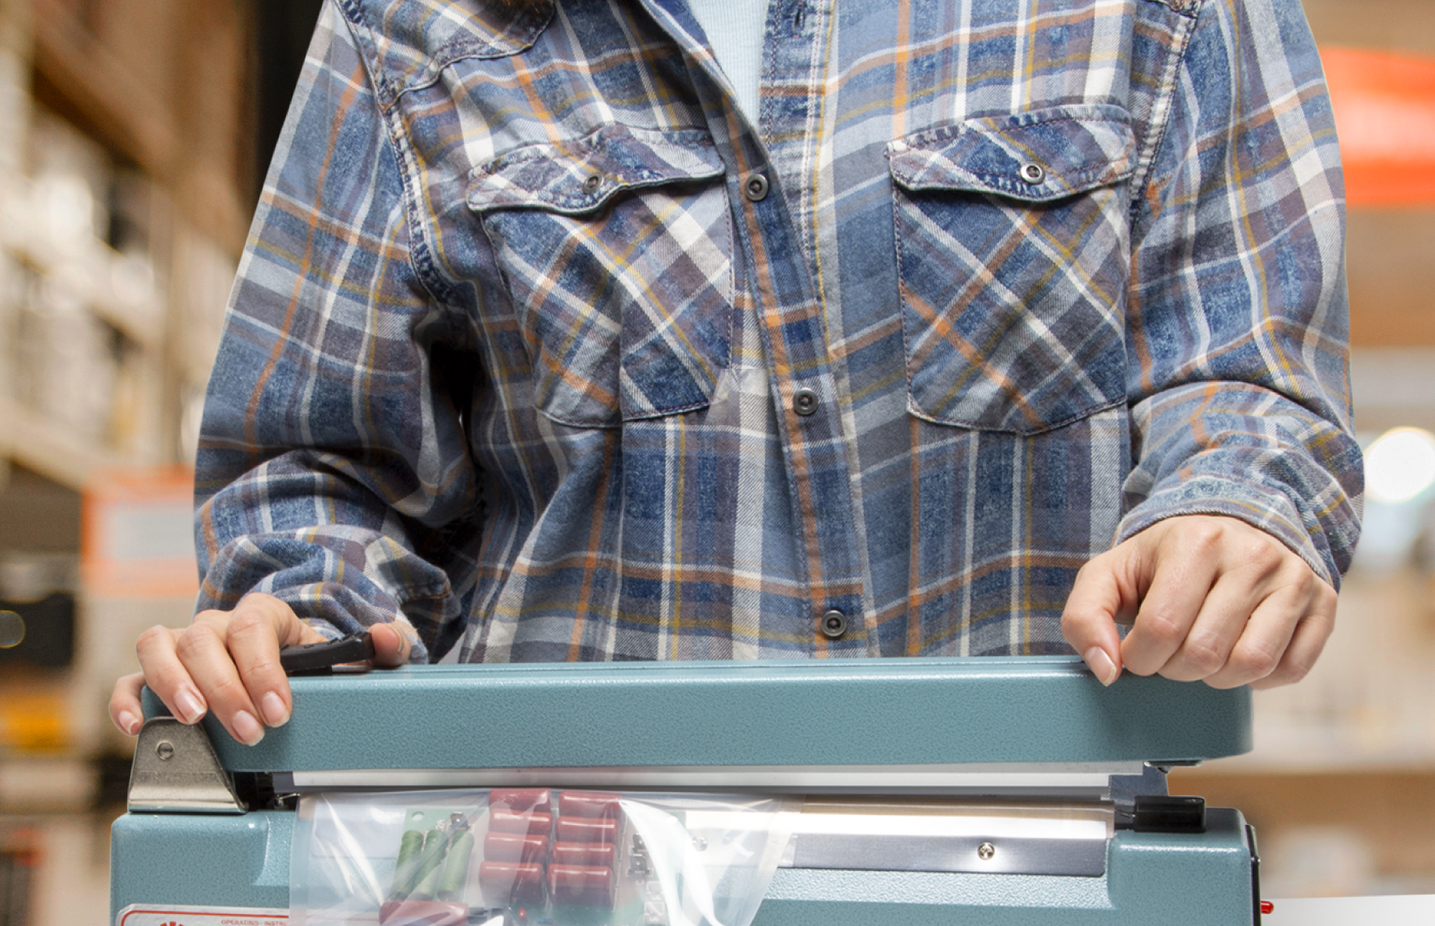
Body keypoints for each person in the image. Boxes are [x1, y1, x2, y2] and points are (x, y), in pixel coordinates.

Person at [110, 0, 1359, 745]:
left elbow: (1248, 378)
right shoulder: (409, 27)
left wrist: (1238, 506)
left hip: (1038, 867)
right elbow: (321, 470)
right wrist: (300, 617)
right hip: (560, 910)